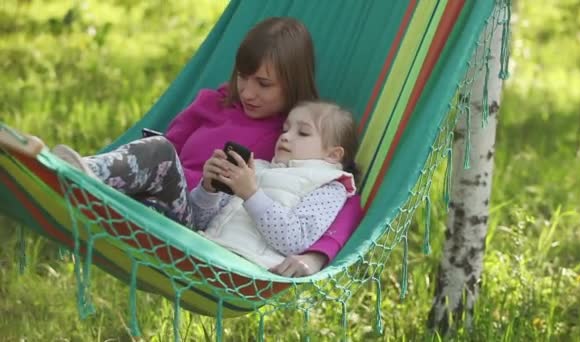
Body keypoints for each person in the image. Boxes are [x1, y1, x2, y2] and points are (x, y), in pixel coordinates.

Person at [43, 17, 363, 276]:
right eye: (243, 77)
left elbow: (340, 196)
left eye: (263, 84)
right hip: (159, 198)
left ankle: (83, 176)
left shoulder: (292, 140)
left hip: (193, 223)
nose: (248, 92)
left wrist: (317, 257)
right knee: (159, 149)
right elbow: (165, 148)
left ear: (292, 83)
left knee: (160, 152)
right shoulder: (213, 103)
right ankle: (81, 176)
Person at [193, 101, 358, 268]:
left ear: (333, 154)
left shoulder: (329, 188)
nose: (285, 136)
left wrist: (251, 195)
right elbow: (199, 221)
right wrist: (209, 189)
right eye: (285, 129)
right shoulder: (255, 167)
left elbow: (295, 241)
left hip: (248, 269)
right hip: (203, 249)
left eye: (303, 132)